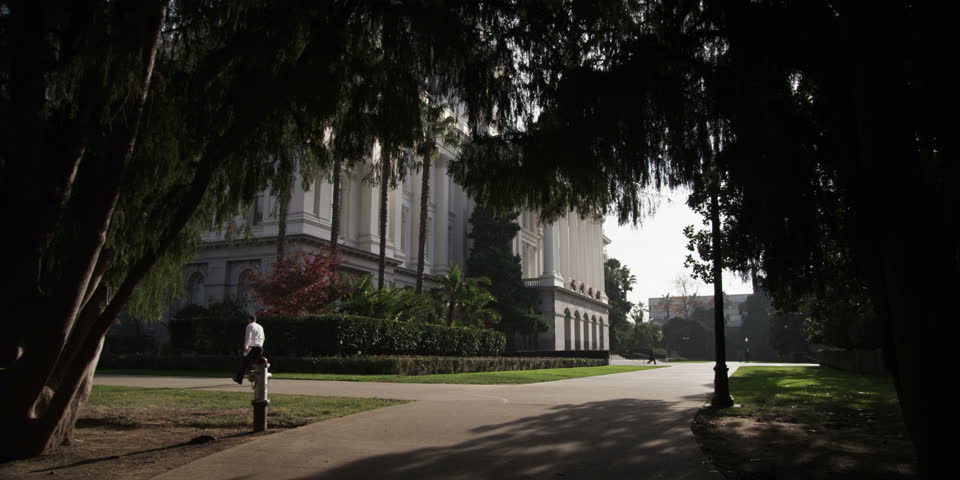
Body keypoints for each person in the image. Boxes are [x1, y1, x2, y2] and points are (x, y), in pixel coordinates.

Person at [233, 314, 265, 384]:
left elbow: (248, 337)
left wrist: (246, 347)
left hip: (252, 347)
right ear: (255, 319)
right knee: (257, 364)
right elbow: (263, 337)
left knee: (244, 362)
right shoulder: (260, 327)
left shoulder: (250, 326)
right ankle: (259, 379)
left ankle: (239, 379)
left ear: (249, 319)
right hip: (259, 347)